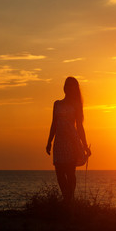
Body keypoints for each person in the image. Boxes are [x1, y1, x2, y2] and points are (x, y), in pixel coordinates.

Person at [46, 76, 91, 204]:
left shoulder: (77, 105)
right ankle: (67, 198)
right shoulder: (57, 104)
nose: (70, 88)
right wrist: (49, 141)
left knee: (70, 172)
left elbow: (80, 126)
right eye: (68, 85)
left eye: (73, 86)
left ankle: (69, 201)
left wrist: (85, 145)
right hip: (59, 141)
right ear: (64, 87)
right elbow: (54, 123)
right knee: (59, 171)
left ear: (75, 89)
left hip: (72, 141)